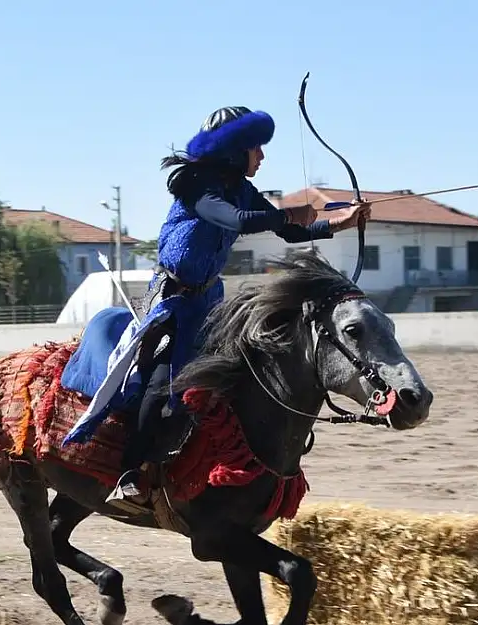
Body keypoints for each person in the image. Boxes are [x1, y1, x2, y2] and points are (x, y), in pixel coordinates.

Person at [73, 106, 372, 505]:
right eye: (256, 149)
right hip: (171, 302)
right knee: (163, 382)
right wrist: (285, 213)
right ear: (234, 149)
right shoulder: (196, 185)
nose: (262, 158)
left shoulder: (240, 188)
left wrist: (341, 223)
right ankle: (131, 473)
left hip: (210, 303)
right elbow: (236, 220)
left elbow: (287, 230)